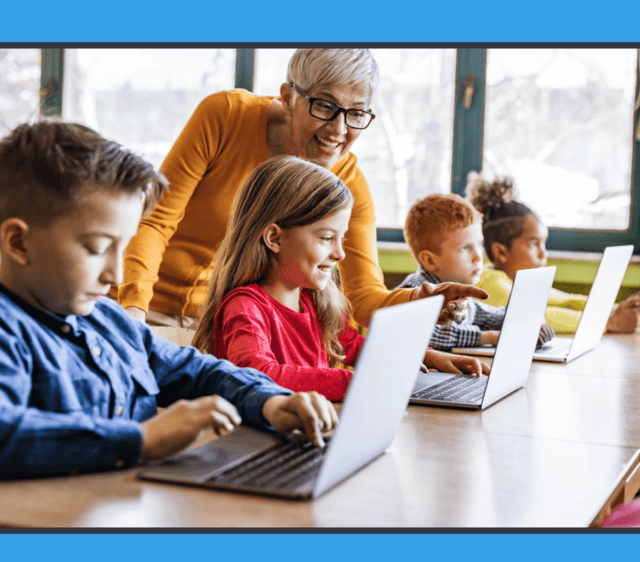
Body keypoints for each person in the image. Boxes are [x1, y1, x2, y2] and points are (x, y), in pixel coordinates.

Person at [0, 121, 338, 480]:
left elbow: (199, 371)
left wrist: (271, 403)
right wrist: (140, 440)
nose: (117, 276)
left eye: (123, 249)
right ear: (17, 242)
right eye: (97, 249)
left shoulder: (107, 319)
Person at [115, 48, 484, 340]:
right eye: (325, 105)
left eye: (356, 114)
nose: (339, 129)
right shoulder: (224, 116)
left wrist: (421, 299)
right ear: (289, 96)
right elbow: (154, 222)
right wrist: (133, 311)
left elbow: (364, 298)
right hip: (150, 312)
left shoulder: (349, 185)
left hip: (230, 328)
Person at [192, 157, 490, 401]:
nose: (339, 254)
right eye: (325, 238)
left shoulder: (311, 300)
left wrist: (429, 357)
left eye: (341, 239)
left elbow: (358, 346)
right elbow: (258, 374)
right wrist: (355, 382)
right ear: (274, 237)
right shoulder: (246, 307)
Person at [466, 173, 640, 334]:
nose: (543, 254)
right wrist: (610, 322)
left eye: (543, 244)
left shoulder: (518, 282)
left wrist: (621, 309)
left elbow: (566, 302)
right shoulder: (490, 284)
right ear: (501, 252)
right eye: (533, 244)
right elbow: (537, 317)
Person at [394, 193, 556, 351]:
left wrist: (531, 321)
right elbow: (426, 334)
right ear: (430, 260)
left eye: (479, 244)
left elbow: (493, 316)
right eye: (465, 248)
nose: (478, 256)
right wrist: (490, 337)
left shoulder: (462, 296)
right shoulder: (415, 292)